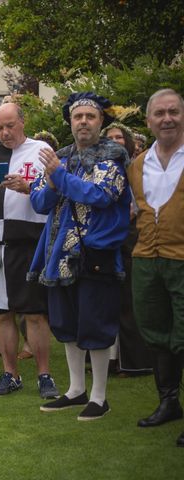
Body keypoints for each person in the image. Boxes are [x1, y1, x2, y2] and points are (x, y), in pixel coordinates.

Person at [30, 92, 131, 420]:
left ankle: (100, 398)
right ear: (70, 122)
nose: (84, 121)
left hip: (95, 252)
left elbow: (100, 195)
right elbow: (40, 202)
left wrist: (58, 176)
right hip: (58, 254)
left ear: (101, 121)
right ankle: (76, 390)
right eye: (78, 117)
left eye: (90, 116)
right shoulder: (59, 157)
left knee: (96, 324)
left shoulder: (113, 155)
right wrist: (51, 181)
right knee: (67, 324)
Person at [0, 102, 59, 399]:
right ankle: (10, 374)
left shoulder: (41, 149)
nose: (4, 133)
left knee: (34, 313)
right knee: (1, 315)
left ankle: (45, 375)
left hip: (29, 240)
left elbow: (58, 188)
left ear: (22, 122)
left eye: (9, 126)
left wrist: (28, 187)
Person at [127, 88, 184, 447]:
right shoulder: (137, 164)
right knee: (155, 331)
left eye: (174, 112)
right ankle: (169, 402)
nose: (167, 119)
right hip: (147, 259)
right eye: (160, 113)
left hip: (182, 259)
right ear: (148, 121)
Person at [102, 121, 152, 375]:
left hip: (130, 236)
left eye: (119, 137)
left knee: (130, 299)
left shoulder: (136, 169)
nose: (114, 141)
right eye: (109, 137)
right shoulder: (98, 169)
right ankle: (110, 359)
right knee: (108, 300)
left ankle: (134, 360)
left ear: (128, 142)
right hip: (106, 238)